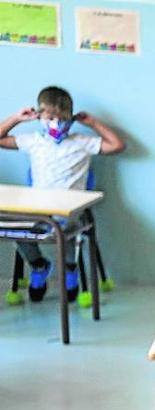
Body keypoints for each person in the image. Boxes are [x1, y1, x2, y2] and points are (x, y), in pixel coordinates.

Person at [0, 85, 125, 302]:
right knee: (15, 225)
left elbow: (117, 145)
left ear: (71, 119)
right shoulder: (33, 141)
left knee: (63, 225)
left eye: (62, 119)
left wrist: (93, 123)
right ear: (39, 117)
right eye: (50, 118)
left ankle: (70, 267)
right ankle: (38, 264)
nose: (56, 124)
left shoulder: (82, 142)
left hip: (70, 208)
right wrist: (16, 119)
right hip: (39, 207)